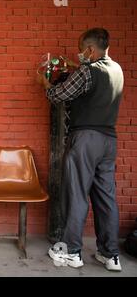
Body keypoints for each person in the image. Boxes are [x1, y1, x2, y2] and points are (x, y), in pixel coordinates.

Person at [37, 28, 124, 271]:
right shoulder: (117, 70)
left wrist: (44, 82)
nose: (81, 55)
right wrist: (73, 64)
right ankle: (111, 254)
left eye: (83, 50)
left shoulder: (88, 71)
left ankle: (71, 251)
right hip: (109, 140)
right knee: (106, 198)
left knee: (75, 194)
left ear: (90, 49)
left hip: (86, 138)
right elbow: (93, 80)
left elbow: (59, 95)